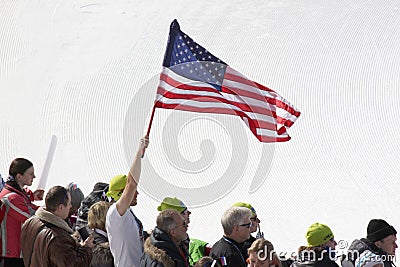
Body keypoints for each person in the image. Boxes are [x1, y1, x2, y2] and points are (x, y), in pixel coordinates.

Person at [21, 185, 94, 267]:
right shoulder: (58, 238)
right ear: (61, 207)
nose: (70, 206)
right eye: (69, 203)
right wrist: (86, 248)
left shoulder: (30, 222)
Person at [106, 136, 149, 267]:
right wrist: (139, 151)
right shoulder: (115, 213)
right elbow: (131, 183)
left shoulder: (126, 212)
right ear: (121, 193)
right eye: (133, 192)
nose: (137, 193)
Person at [0, 158, 44, 267]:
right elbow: (32, 216)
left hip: (18, 253)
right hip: (11, 256)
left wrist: (32, 195)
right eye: (31, 174)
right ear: (19, 176)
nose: (34, 177)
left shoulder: (17, 193)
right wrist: (53, 207)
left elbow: (24, 198)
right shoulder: (10, 198)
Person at [157, 197, 194, 263]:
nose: (189, 213)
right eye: (185, 212)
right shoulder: (162, 248)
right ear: (176, 216)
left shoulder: (181, 239)